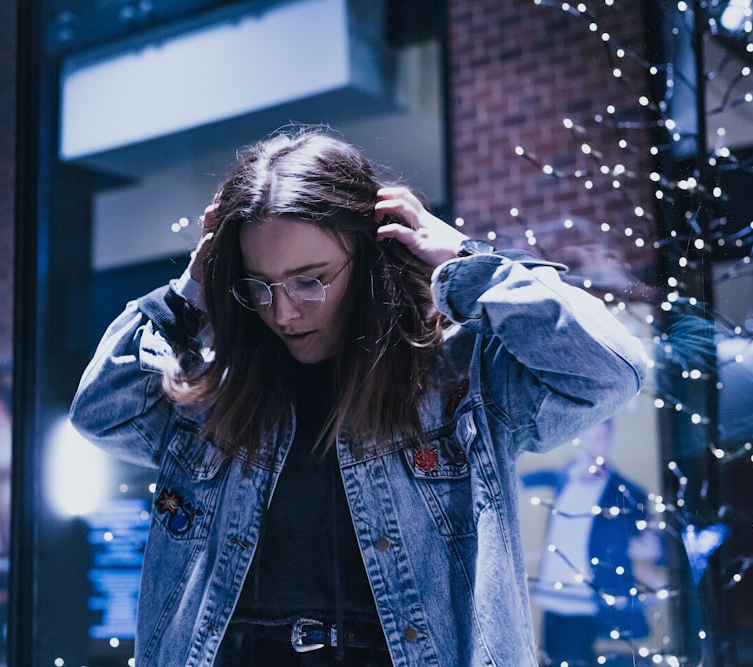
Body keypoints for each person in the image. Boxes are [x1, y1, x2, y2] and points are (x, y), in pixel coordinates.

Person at [69, 126, 649, 667]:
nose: (283, 311)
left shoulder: (457, 378)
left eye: (310, 279)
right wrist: (189, 293)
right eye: (259, 285)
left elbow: (610, 371)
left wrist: (467, 264)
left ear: (367, 256)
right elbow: (100, 410)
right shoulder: (221, 390)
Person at [522, 418, 662, 666]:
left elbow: (651, 542)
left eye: (597, 438)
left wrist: (657, 550)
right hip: (551, 594)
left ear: (609, 441)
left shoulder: (625, 493)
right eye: (585, 437)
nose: (590, 445)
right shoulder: (566, 477)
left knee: (571, 660)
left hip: (584, 600)